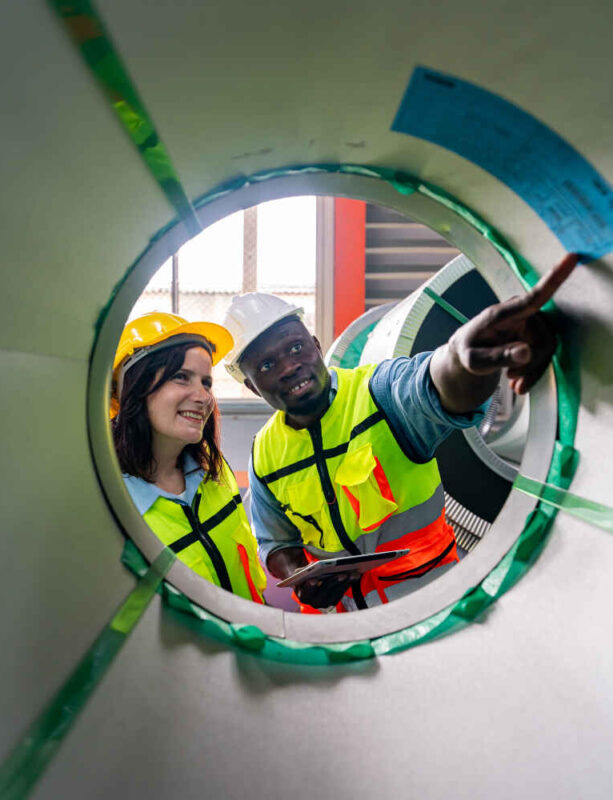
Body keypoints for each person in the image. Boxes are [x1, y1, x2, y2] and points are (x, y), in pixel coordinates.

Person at [222, 253, 579, 612]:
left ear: (316, 345)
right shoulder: (265, 453)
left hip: (424, 609)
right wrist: (303, 578)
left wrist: (463, 357)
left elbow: (433, 386)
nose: (289, 366)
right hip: (336, 628)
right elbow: (274, 541)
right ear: (253, 387)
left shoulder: (378, 394)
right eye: (267, 365)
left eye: (296, 347)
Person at [112, 311, 266, 604]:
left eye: (206, 383)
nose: (203, 396)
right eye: (182, 377)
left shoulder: (214, 473)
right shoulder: (114, 506)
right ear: (135, 388)